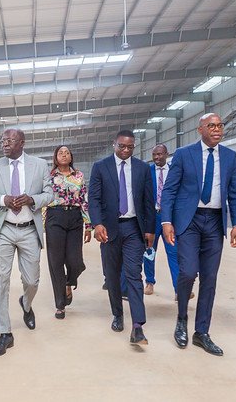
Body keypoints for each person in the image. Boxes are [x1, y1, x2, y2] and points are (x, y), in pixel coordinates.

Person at [161, 113, 236, 357]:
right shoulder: (184, 154)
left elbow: (235, 192)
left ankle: (202, 332)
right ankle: (181, 319)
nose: (217, 129)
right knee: (187, 272)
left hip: (215, 222)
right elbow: (170, 190)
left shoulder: (229, 157)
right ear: (200, 130)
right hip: (189, 220)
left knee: (210, 277)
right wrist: (166, 221)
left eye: (220, 125)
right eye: (211, 126)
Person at [0, 129, 53, 357]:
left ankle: (26, 304)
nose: (5, 144)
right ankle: (4, 333)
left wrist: (32, 199)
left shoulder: (39, 165)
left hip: (29, 230)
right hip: (3, 229)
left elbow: (49, 194)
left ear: (22, 143)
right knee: (1, 281)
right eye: (3, 141)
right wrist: (4, 199)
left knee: (32, 280)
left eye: (10, 141)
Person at [88, 130, 155, 347]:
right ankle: (118, 314)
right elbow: (94, 199)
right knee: (112, 275)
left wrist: (150, 229)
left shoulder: (142, 168)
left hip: (134, 228)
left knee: (134, 274)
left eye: (130, 147)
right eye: (122, 146)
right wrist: (97, 224)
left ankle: (138, 325)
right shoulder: (101, 167)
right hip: (109, 229)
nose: (126, 150)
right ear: (114, 144)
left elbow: (148, 200)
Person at [45, 145, 92, 319]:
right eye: (60, 153)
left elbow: (84, 200)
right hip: (54, 217)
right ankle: (60, 304)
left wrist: (88, 224)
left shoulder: (78, 176)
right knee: (55, 261)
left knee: (75, 261)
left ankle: (69, 282)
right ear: (55, 158)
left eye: (67, 153)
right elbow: (44, 199)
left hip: (74, 217)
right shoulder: (49, 176)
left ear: (71, 157)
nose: (64, 155)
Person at [143, 143, 192, 301]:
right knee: (149, 251)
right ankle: (149, 282)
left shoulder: (174, 170)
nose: (157, 157)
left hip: (170, 218)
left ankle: (179, 289)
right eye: (154, 155)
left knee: (174, 252)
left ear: (166, 154)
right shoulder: (147, 172)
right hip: (151, 218)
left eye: (160, 154)